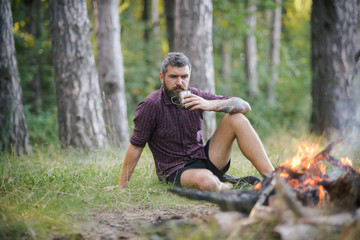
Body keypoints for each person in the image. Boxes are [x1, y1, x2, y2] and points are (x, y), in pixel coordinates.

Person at [107, 52, 274, 192]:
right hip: (176, 170)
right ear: (162, 77)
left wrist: (209, 104)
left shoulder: (195, 95)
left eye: (184, 77)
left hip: (205, 158)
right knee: (207, 181)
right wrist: (122, 185)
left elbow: (245, 106)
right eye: (173, 77)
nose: (180, 82)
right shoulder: (150, 105)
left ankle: (274, 180)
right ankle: (230, 185)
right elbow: (136, 146)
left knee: (236, 117)